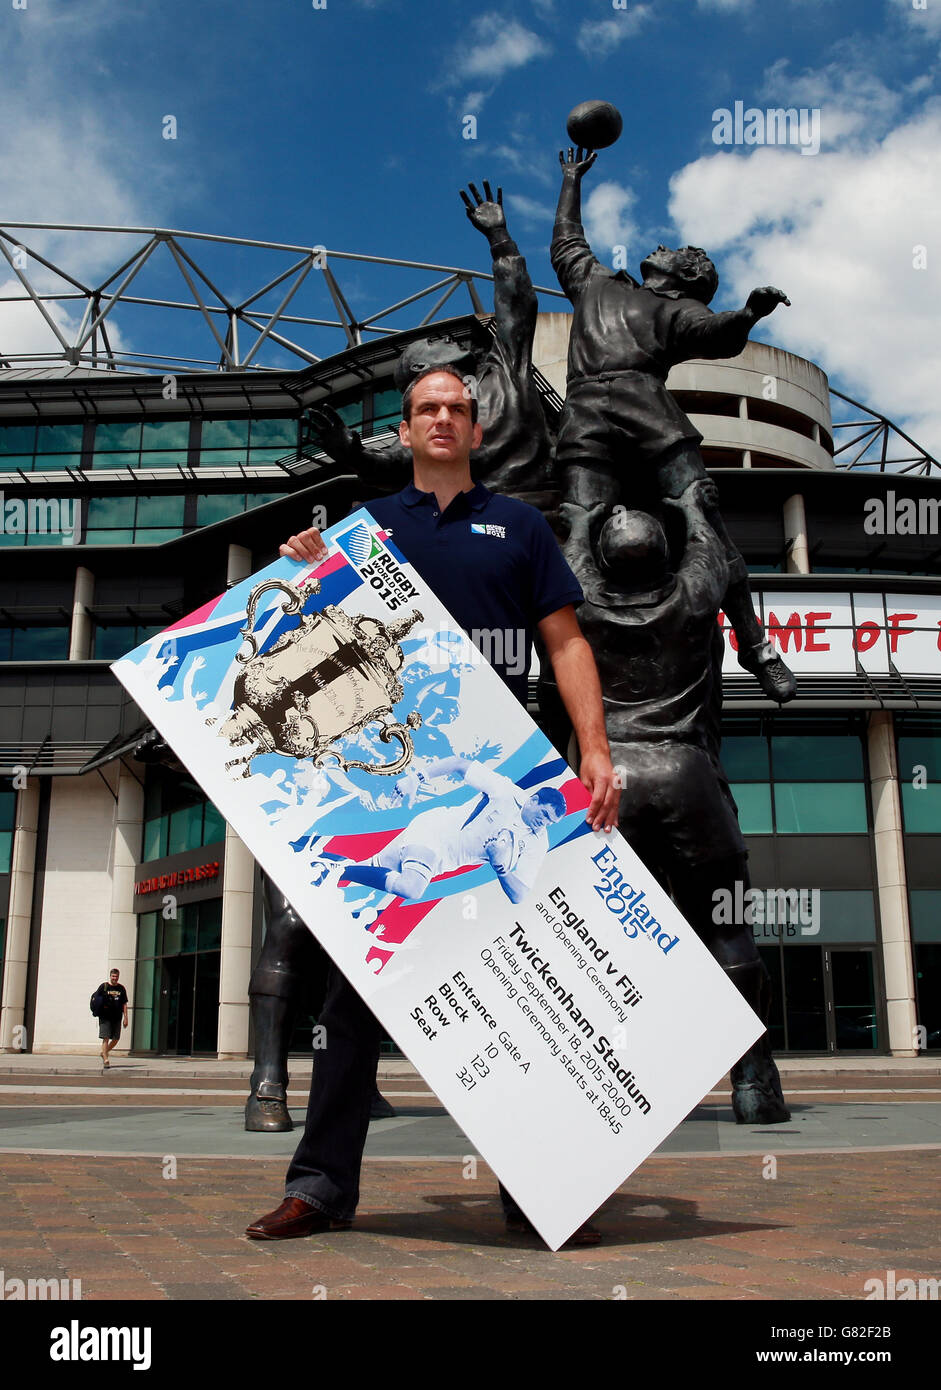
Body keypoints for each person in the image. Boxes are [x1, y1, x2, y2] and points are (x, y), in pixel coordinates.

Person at [246, 364, 619, 1246]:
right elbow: (305, 627)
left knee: (520, 995)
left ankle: (537, 1189)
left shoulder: (520, 525)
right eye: (427, 409)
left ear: (475, 431)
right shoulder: (367, 529)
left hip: (505, 787)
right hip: (395, 786)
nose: (443, 419)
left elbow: (564, 643)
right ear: (406, 432)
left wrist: (594, 749)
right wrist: (303, 564)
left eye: (457, 408)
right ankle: (320, 1188)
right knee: (351, 1002)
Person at [562, 482, 789, 1124]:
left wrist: (587, 513)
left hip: (612, 783)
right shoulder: (693, 596)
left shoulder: (583, 605)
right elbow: (712, 545)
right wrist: (690, 499)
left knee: (599, 940)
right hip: (689, 777)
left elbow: (575, 539)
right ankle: (754, 1080)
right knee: (729, 930)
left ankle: (606, 1081)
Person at [551, 146, 796, 704]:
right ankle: (559, 658)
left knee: (704, 516)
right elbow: (566, 241)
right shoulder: (596, 283)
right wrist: (571, 181)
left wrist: (750, 313)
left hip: (650, 415)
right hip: (587, 416)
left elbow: (719, 334)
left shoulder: (681, 312)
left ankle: (756, 646)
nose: (661, 246)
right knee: (574, 529)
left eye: (677, 250)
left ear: (686, 277)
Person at [339, 754, 566, 913]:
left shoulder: (538, 842)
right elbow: (458, 763)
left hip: (443, 861)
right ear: (534, 800)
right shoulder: (505, 791)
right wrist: (415, 779)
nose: (543, 824)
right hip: (435, 831)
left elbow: (520, 895)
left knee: (367, 870)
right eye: (544, 815)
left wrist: (501, 868)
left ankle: (331, 869)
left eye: (551, 822)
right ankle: (340, 871)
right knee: (411, 887)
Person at [95, 968, 128, 1070]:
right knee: (106, 1038)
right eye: (113, 976)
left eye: (116, 976)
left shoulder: (121, 988)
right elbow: (96, 1000)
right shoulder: (104, 987)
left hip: (117, 1017)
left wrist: (126, 1017)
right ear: (110, 976)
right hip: (105, 1017)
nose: (115, 978)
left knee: (116, 1039)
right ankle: (106, 1059)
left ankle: (104, 1052)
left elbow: (124, 1003)